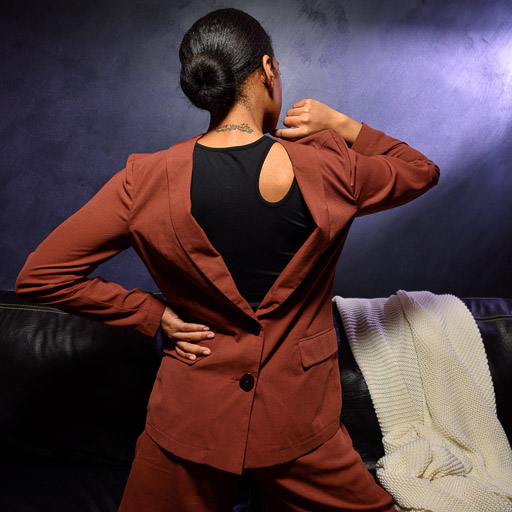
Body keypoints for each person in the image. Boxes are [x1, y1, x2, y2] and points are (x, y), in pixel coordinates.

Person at [15, 7, 440, 512]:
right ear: (268, 69)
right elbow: (420, 170)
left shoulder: (143, 181)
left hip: (191, 419)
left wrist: (154, 315)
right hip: (298, 419)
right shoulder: (330, 167)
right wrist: (341, 124)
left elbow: (41, 274)